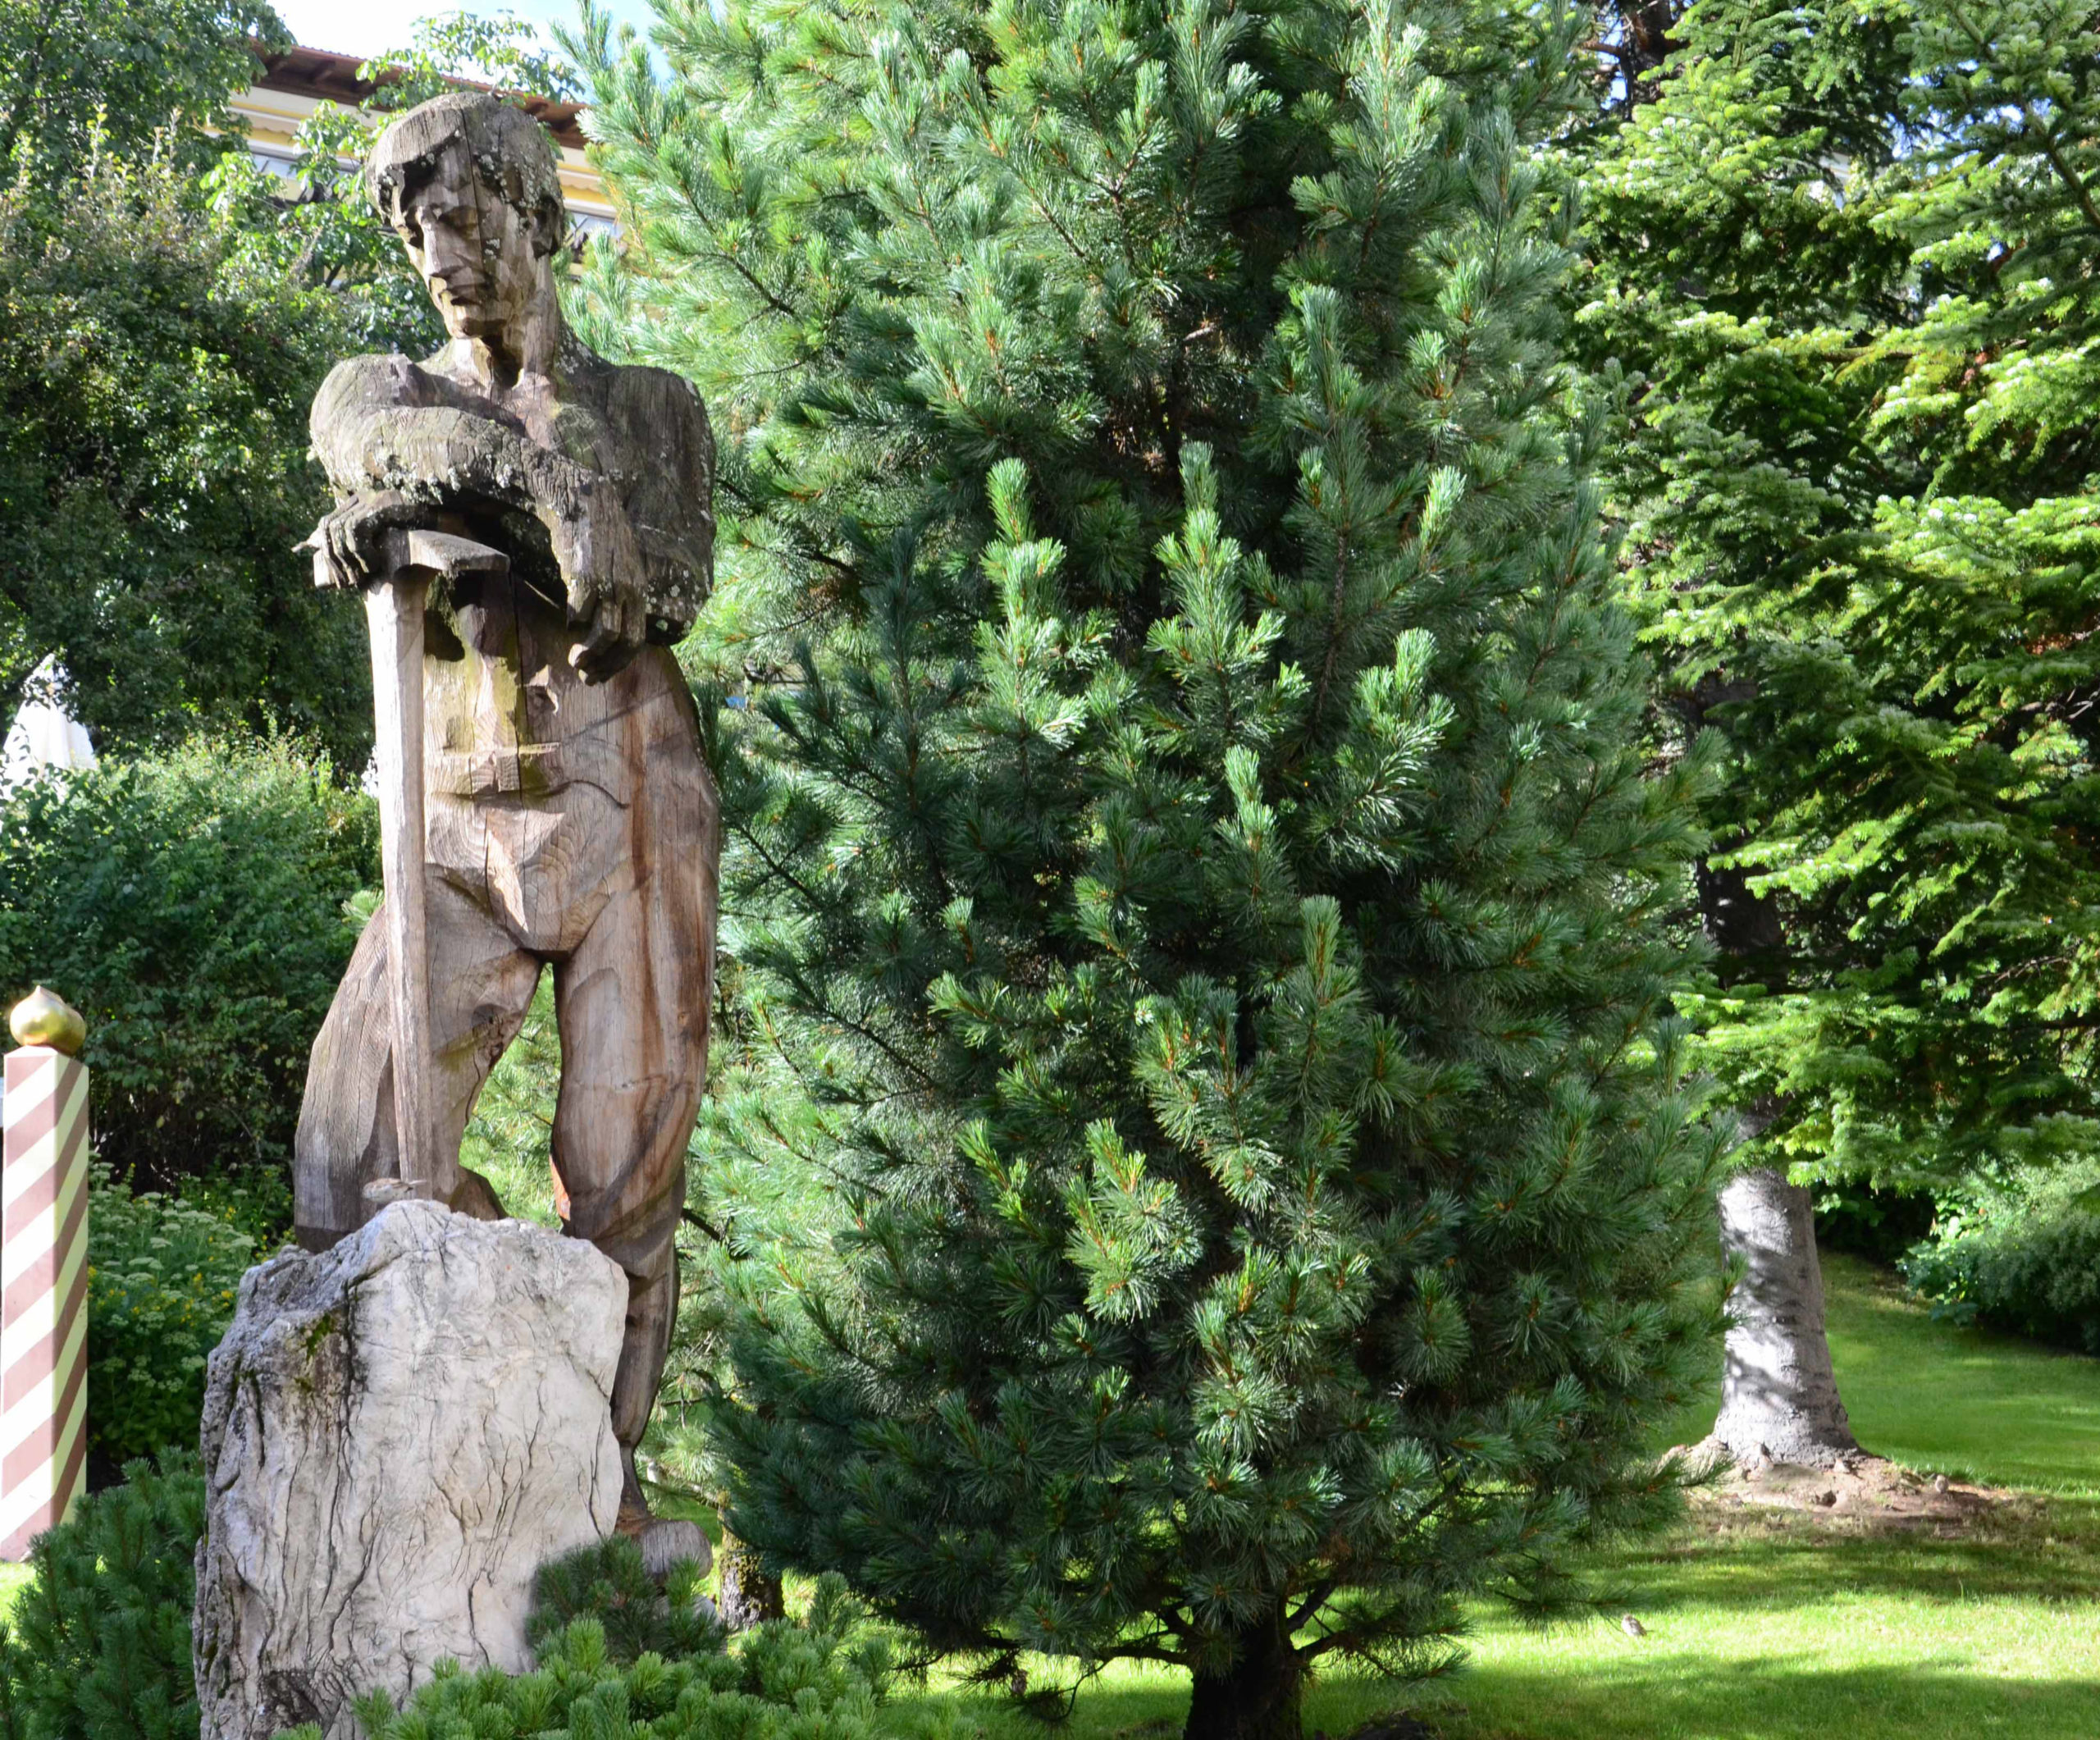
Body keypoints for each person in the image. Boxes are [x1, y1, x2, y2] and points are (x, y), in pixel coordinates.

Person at [295, 92, 717, 1532]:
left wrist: (539, 497)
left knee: (626, 1181)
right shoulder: (379, 384)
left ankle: (595, 1492)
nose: (439, 248)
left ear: (539, 217)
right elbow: (367, 446)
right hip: (459, 821)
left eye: (466, 213)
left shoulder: (654, 409)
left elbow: (649, 589)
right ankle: (437, 1441)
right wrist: (536, 484)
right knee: (350, 1153)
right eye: (414, 225)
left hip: (632, 802)